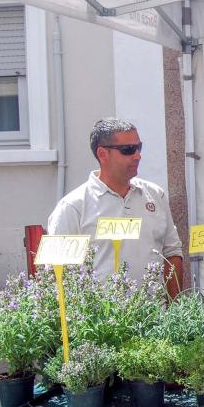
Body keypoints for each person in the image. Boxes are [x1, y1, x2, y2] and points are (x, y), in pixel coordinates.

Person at [47, 118, 183, 298]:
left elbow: (172, 253)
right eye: (128, 150)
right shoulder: (73, 207)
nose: (137, 155)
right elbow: (57, 271)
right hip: (101, 323)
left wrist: (174, 309)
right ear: (102, 154)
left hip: (156, 317)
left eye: (139, 147)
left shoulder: (155, 194)